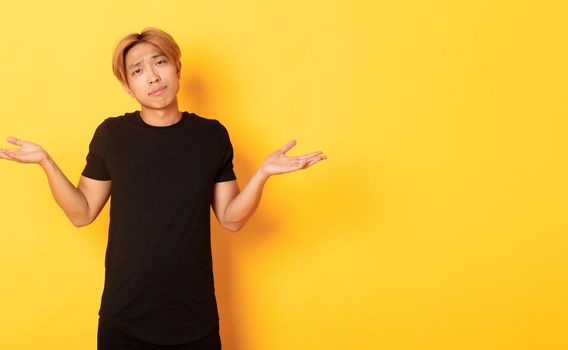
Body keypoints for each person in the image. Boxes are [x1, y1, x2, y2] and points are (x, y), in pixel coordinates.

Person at [0, 27, 326, 349]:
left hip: (194, 318)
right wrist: (46, 162)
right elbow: (82, 213)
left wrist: (262, 174)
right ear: (128, 87)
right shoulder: (113, 136)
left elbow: (231, 218)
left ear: (177, 67)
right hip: (125, 316)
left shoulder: (211, 136)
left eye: (160, 62)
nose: (153, 77)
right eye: (138, 71)